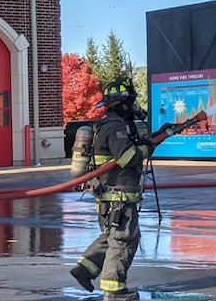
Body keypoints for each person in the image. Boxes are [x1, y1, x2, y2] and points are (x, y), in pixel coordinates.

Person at [69, 77, 153, 301]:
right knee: (124, 241)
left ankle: (85, 269)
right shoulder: (115, 127)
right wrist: (146, 148)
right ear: (123, 104)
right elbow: (127, 157)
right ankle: (114, 292)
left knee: (113, 237)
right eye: (130, 103)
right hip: (119, 195)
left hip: (111, 195)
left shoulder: (109, 124)